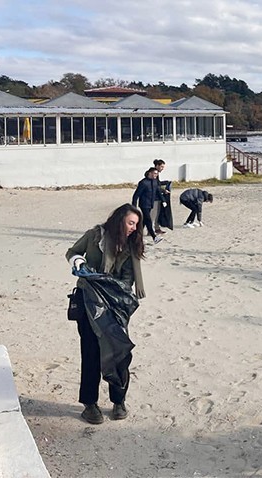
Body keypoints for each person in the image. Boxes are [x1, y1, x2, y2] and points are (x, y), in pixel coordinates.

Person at [65, 203, 146, 424]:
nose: (133, 228)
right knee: (90, 353)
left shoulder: (131, 246)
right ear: (119, 220)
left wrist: (109, 288)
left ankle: (118, 401)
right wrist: (79, 263)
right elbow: (72, 252)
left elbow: (128, 280)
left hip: (115, 306)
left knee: (119, 352)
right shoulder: (94, 236)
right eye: (131, 223)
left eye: (136, 225)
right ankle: (89, 405)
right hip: (86, 300)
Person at [131, 167, 165, 244]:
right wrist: (133, 206)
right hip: (144, 204)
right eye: (155, 173)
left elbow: (158, 191)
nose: (156, 175)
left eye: (157, 174)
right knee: (148, 220)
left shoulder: (155, 181)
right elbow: (136, 195)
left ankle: (136, 237)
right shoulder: (143, 182)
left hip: (150, 204)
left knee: (144, 221)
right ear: (150, 173)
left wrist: (163, 200)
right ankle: (154, 237)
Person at [152, 159, 170, 235]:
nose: (162, 168)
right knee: (153, 214)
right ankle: (152, 230)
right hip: (154, 197)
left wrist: (165, 182)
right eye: (161, 167)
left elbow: (158, 184)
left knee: (156, 214)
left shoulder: (156, 174)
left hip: (157, 197)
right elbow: (156, 186)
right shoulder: (154, 173)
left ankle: (156, 228)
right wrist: (163, 190)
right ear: (157, 166)